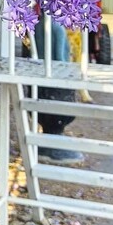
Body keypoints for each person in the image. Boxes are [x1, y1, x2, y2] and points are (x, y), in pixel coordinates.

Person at [33, 11, 84, 165]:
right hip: (56, 85)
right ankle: (53, 147)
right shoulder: (56, 28)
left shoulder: (41, 25)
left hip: (41, 81)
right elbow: (61, 61)